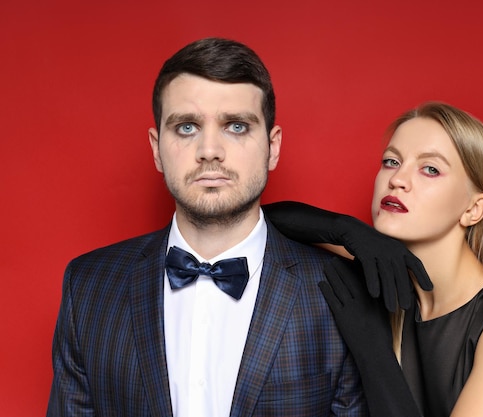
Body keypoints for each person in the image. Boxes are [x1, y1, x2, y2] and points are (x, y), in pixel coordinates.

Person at [46, 36, 419, 417]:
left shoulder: (336, 293)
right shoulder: (89, 285)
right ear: (157, 149)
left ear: (272, 148)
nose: (210, 149)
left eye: (236, 126)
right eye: (187, 127)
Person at [264, 102, 483, 416]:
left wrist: (373, 348)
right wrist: (344, 229)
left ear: (473, 209)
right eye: (391, 161)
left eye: (430, 169)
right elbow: (260, 225)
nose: (397, 179)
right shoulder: (385, 277)